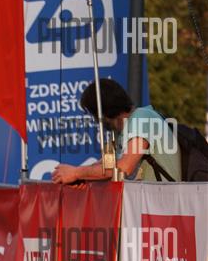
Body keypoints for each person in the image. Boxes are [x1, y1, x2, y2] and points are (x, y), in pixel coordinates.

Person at [52, 78, 181, 184]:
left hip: (162, 203)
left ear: (103, 112)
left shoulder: (142, 118)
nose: (96, 121)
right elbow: (105, 165)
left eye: (94, 115)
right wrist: (78, 176)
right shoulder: (119, 134)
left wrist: (76, 173)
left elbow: (124, 167)